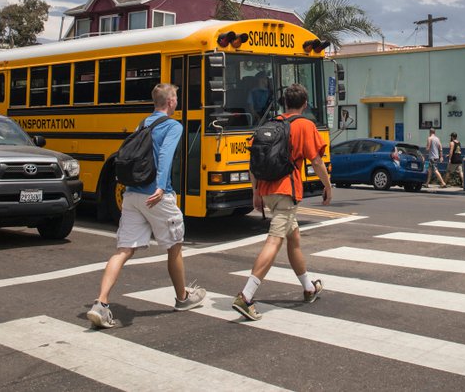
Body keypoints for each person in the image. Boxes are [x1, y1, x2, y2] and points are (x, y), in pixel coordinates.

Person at [87, 83, 206, 328]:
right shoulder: (174, 126)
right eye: (176, 98)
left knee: (123, 250)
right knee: (174, 247)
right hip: (157, 196)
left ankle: (101, 303)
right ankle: (183, 297)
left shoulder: (144, 123)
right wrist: (161, 187)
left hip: (131, 195)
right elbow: (165, 155)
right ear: (171, 102)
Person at [232, 83, 332, 321]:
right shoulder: (305, 125)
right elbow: (316, 161)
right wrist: (327, 186)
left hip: (267, 190)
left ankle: (308, 288)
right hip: (286, 191)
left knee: (293, 239)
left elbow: (253, 161)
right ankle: (246, 297)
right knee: (274, 241)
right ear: (305, 104)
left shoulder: (270, 124)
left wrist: (256, 192)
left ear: (284, 103)